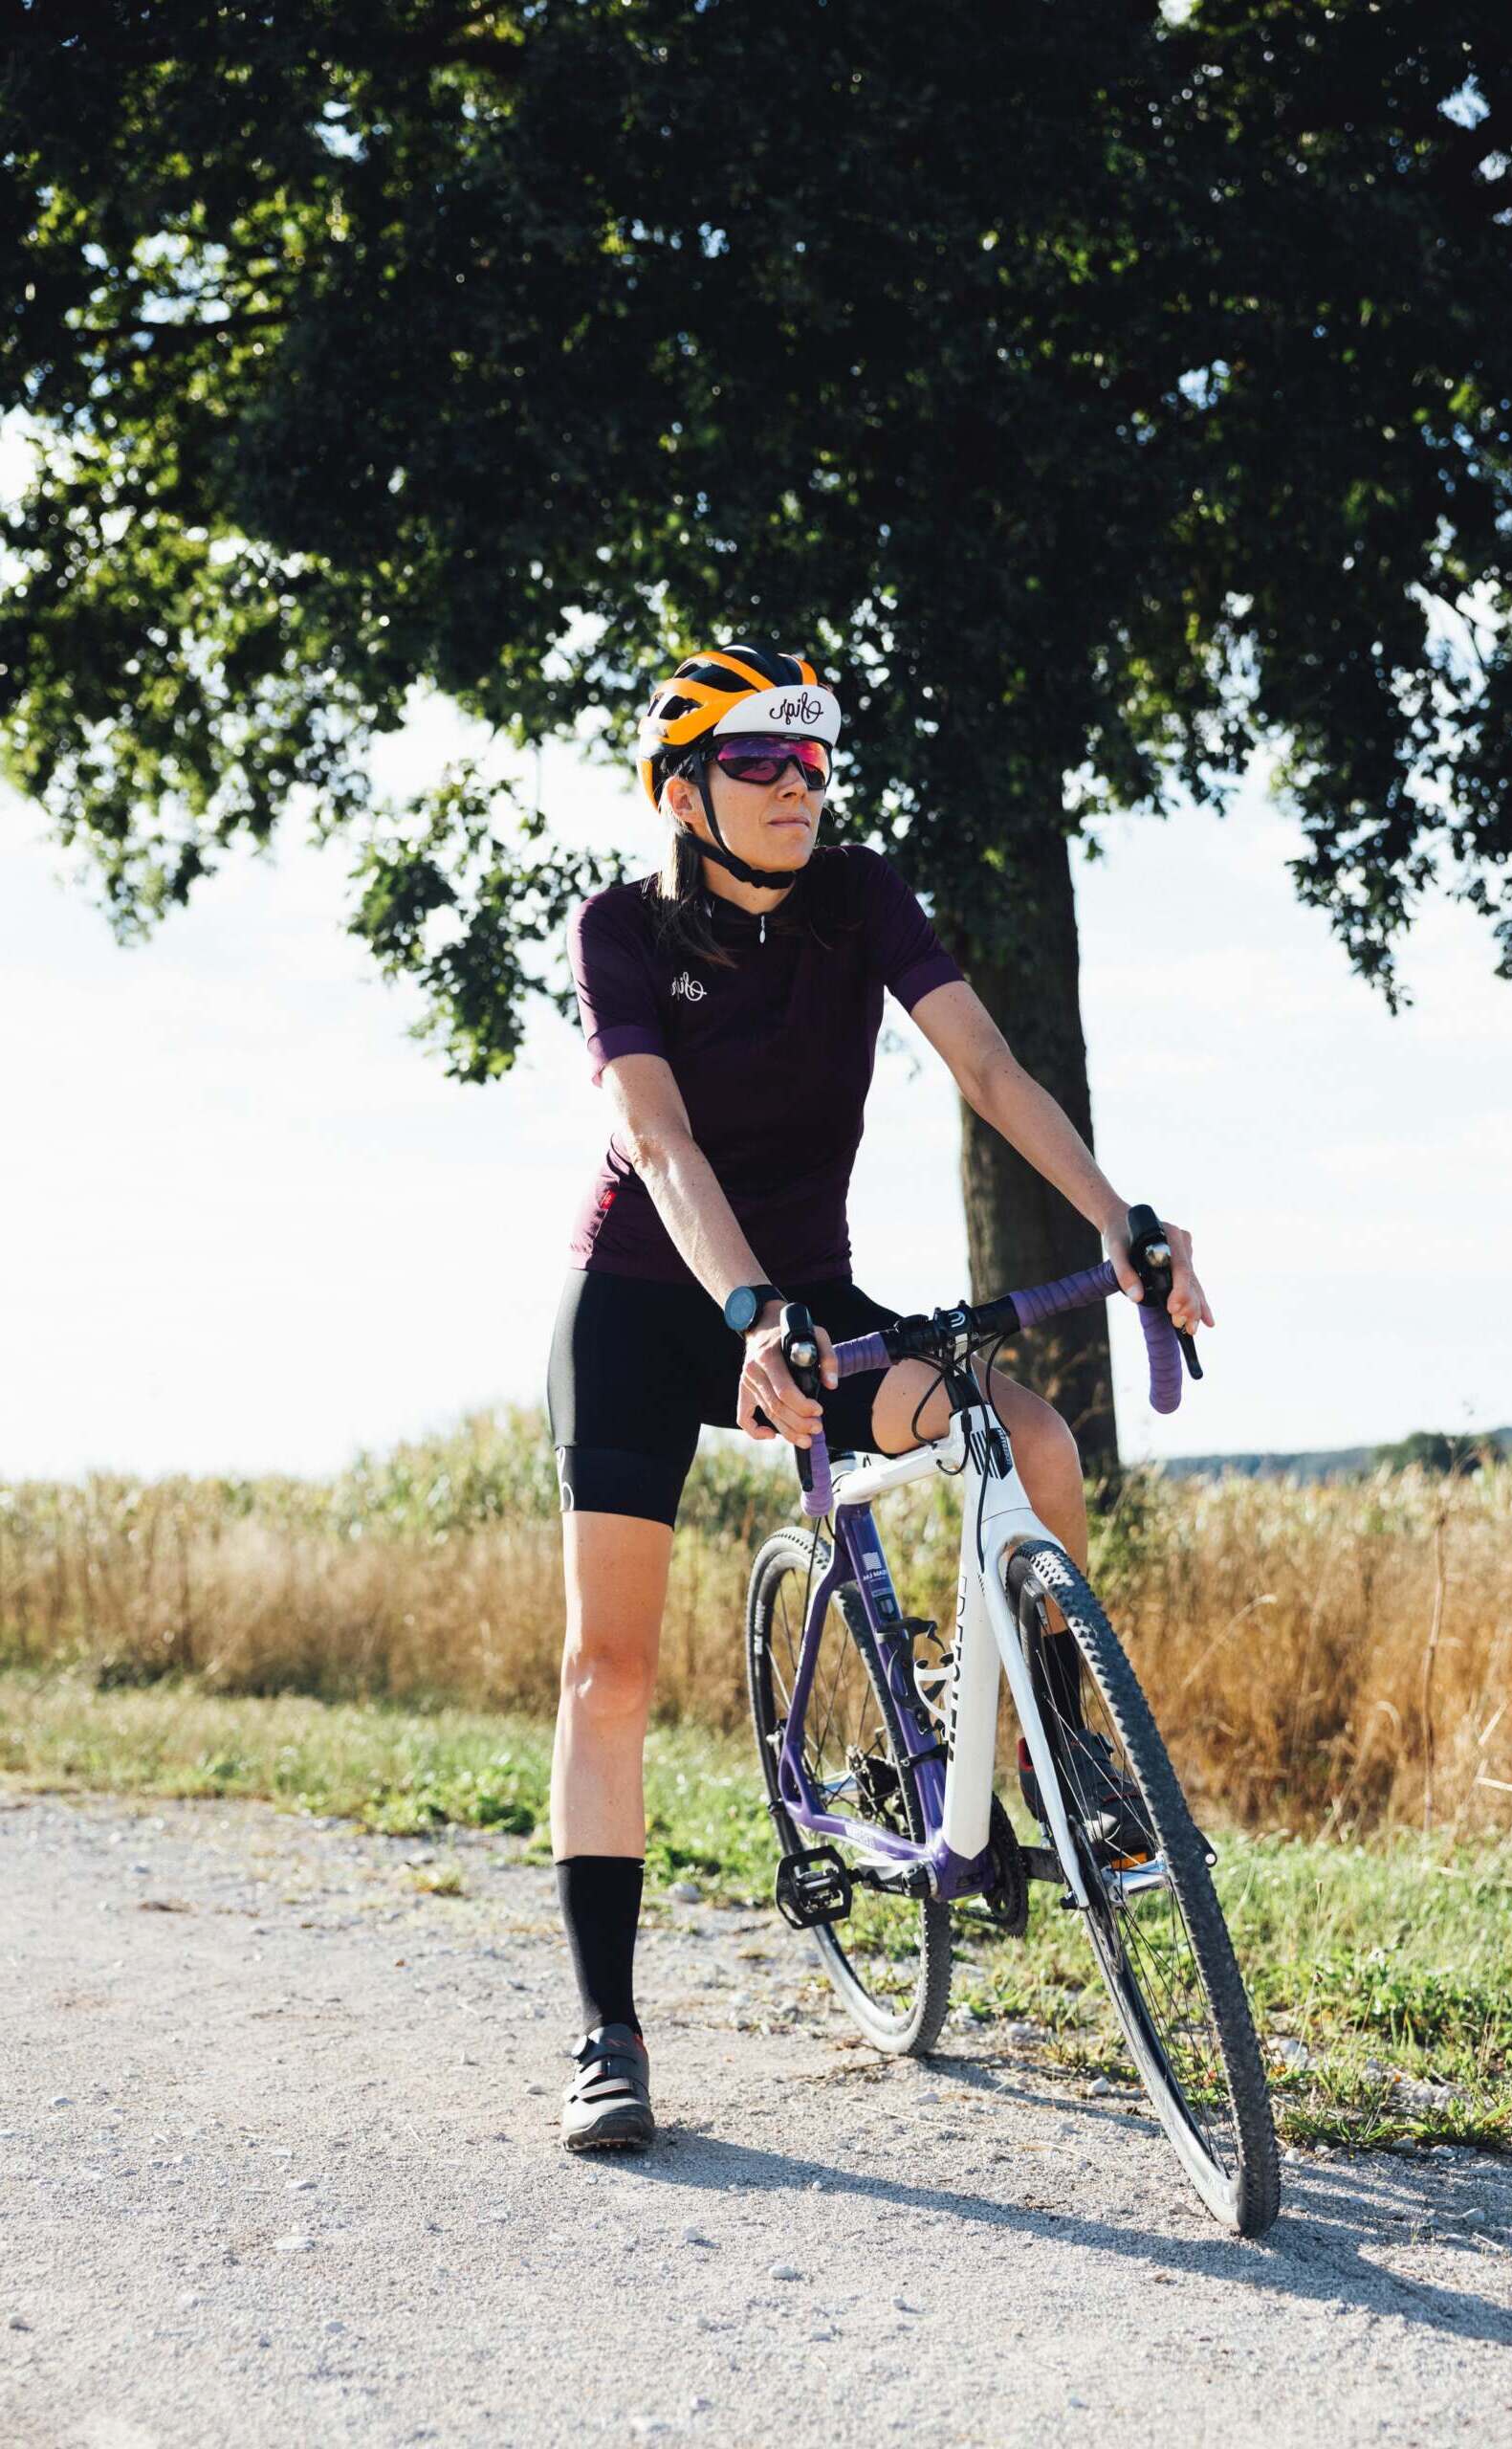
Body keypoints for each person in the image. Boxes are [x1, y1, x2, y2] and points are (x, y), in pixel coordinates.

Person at [547, 641, 1212, 2150]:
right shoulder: (622, 933)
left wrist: (1123, 1225)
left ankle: (1052, 1745)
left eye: (813, 761)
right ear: (683, 790)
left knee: (1024, 1436)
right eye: (761, 763)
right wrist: (745, 1312)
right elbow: (660, 1143)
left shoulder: (860, 897)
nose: (799, 787)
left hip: (815, 1301)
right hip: (654, 1310)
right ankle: (607, 2028)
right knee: (613, 1673)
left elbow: (982, 1063)